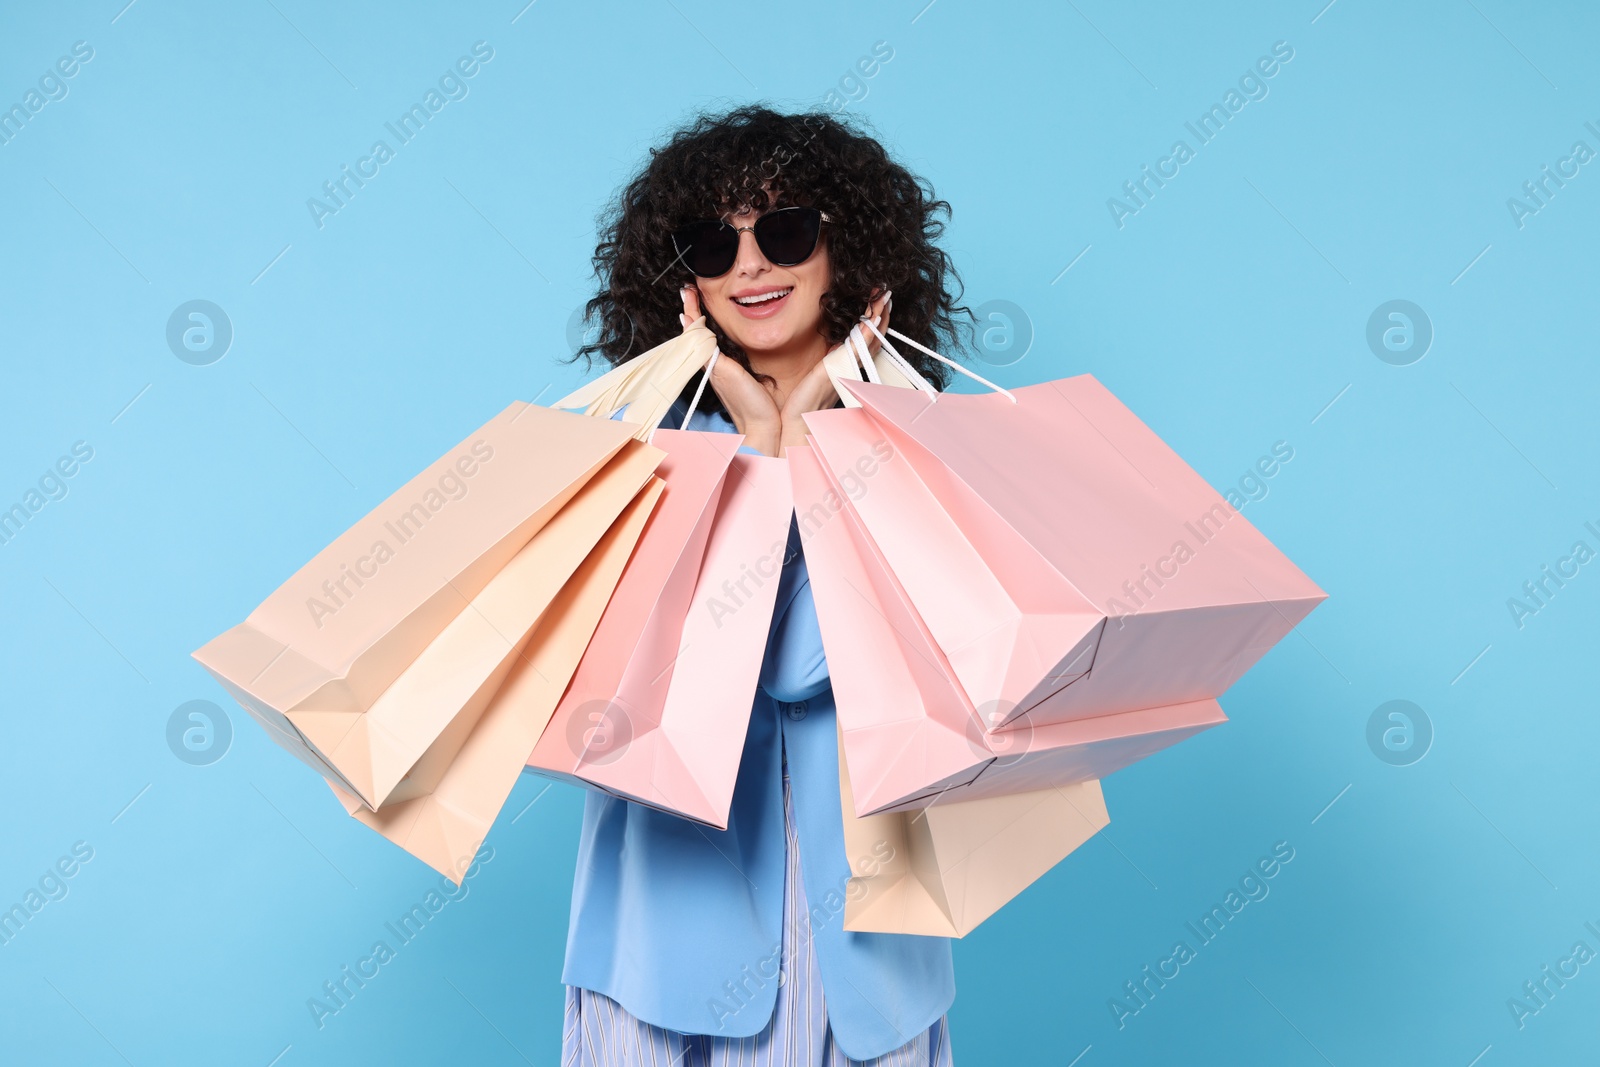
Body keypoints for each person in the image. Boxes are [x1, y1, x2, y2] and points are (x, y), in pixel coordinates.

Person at [558, 104, 972, 1066]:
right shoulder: (642, 455)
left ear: (851, 258)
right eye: (715, 242)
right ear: (685, 285)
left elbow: (814, 664)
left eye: (783, 231)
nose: (750, 265)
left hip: (863, 955)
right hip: (664, 936)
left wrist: (801, 428)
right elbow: (695, 668)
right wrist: (764, 441)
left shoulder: (919, 450)